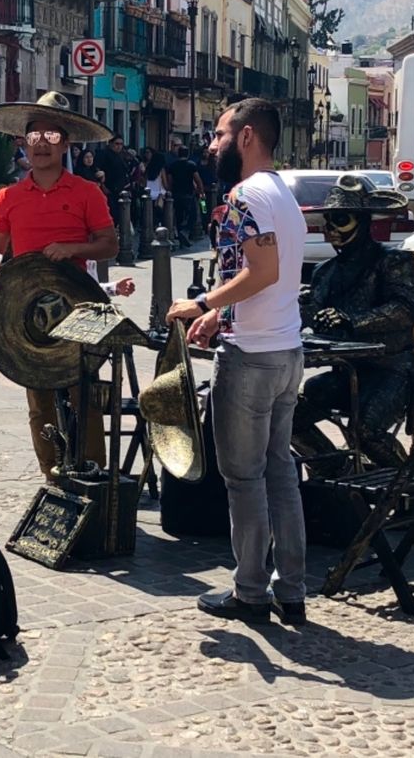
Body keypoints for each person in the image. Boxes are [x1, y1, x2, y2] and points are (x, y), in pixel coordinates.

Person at [167, 98, 308, 626]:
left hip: (251, 357)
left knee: (245, 479)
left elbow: (262, 270)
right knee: (281, 473)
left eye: (220, 133)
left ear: (246, 137)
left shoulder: (244, 195)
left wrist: (201, 303)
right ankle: (291, 590)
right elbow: (267, 275)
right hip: (285, 350)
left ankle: (250, 591)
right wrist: (219, 314)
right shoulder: (282, 193)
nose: (211, 144)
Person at [0, 91, 119, 479]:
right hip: (27, 310)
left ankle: (93, 479)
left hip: (78, 305)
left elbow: (110, 244)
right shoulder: (8, 197)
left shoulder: (87, 192)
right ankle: (51, 475)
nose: (42, 143)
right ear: (24, 143)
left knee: (85, 397)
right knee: (39, 402)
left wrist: (73, 248)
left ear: (65, 144)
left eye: (51, 136)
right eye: (34, 136)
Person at [296, 176, 414, 472]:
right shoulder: (324, 272)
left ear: (363, 222)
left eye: (341, 220)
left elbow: (405, 309)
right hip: (346, 372)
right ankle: (337, 471)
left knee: (365, 430)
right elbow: (317, 323)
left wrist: (353, 321)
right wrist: (304, 309)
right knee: (288, 418)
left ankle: (408, 484)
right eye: (328, 222)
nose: (332, 230)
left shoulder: (393, 261)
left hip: (390, 371)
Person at [167, 146, 205, 248]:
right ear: (187, 154)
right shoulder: (191, 165)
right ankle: (185, 231)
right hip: (188, 194)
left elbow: (170, 181)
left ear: (178, 154)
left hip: (176, 194)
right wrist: (201, 191)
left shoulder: (172, 165)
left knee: (179, 216)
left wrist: (170, 191)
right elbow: (197, 179)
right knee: (192, 215)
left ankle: (181, 238)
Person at [95, 134, 129, 199]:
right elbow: (97, 169)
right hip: (108, 188)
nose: (119, 146)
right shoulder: (103, 153)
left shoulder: (121, 156)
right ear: (110, 143)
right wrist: (103, 186)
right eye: (117, 144)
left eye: (121, 144)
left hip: (120, 189)